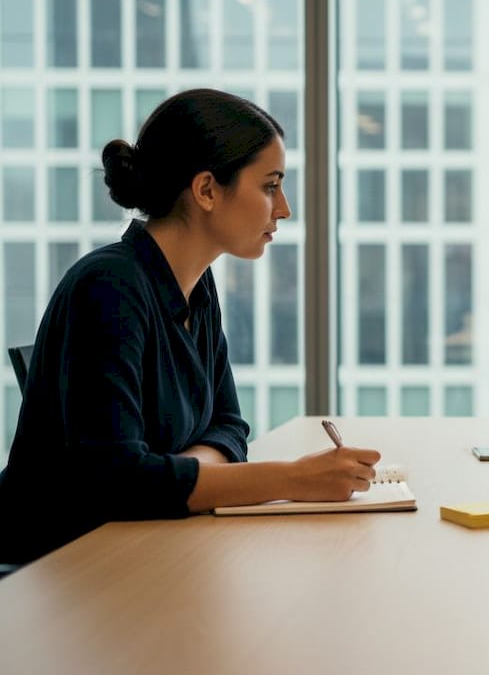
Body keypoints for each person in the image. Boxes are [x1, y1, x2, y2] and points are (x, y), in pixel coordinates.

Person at [0, 89, 380, 565]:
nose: (283, 208)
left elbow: (229, 427)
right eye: (269, 186)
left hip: (145, 548)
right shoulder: (109, 287)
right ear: (205, 190)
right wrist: (292, 479)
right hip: (64, 571)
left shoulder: (196, 288)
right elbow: (116, 481)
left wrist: (176, 476)